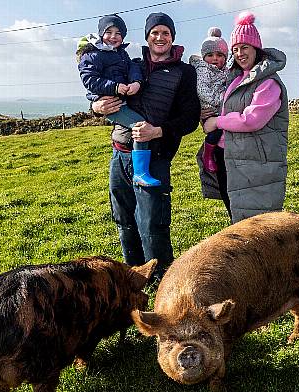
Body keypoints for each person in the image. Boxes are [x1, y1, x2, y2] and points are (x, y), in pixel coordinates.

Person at [90, 12, 200, 281]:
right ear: (147, 37)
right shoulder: (131, 64)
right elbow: (103, 89)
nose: (160, 38)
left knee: (153, 225)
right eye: (155, 33)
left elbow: (190, 118)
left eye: (165, 33)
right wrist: (95, 108)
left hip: (156, 158)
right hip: (120, 155)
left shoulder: (184, 72)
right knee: (124, 221)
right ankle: (134, 281)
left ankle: (162, 284)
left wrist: (157, 131)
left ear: (172, 37)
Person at [201, 12, 289, 224]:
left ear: (256, 48)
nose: (239, 53)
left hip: (255, 162)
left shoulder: (268, 82)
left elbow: (252, 119)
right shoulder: (237, 78)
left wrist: (217, 122)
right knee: (238, 217)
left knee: (257, 222)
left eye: (244, 47)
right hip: (230, 157)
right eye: (235, 49)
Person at [78, 14, 161, 187]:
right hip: (111, 103)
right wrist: (115, 87)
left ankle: (140, 171)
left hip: (120, 101)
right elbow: (89, 80)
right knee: (140, 126)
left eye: (118, 33)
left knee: (139, 126)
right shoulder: (92, 55)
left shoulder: (121, 54)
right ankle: (140, 173)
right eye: (109, 32)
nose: (114, 36)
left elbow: (132, 68)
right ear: (101, 34)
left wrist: (136, 82)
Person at [189, 27, 229, 175]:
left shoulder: (225, 71)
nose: (215, 58)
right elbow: (203, 92)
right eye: (210, 55)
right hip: (209, 108)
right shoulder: (202, 71)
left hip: (219, 109)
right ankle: (208, 154)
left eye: (219, 55)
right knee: (216, 131)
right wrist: (222, 98)